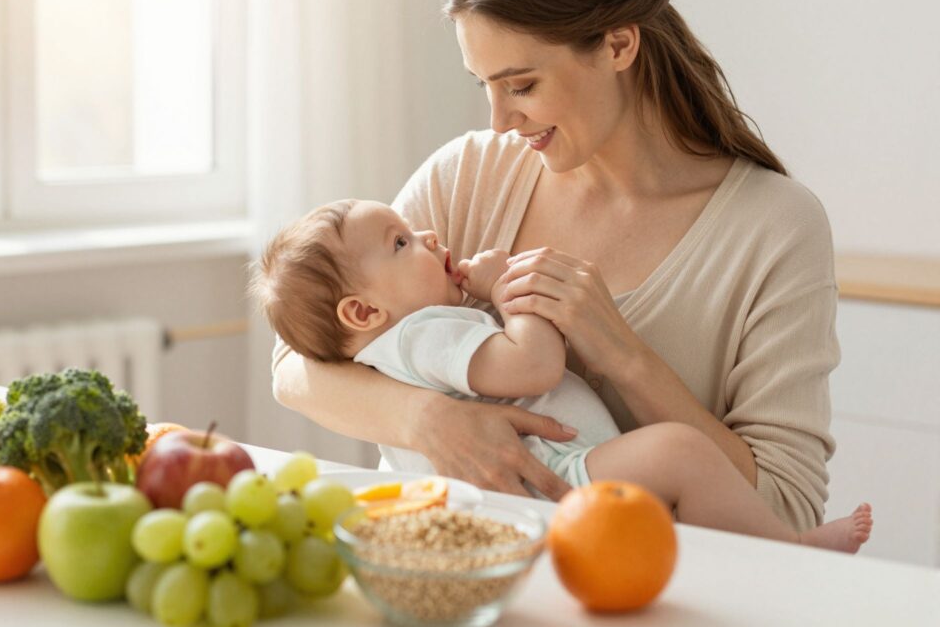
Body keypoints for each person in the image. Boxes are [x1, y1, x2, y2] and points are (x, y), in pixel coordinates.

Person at [271, 0, 845, 531]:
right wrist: (432, 420)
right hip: (457, 572)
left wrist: (625, 357)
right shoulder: (469, 174)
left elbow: (788, 514)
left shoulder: (775, 229)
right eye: (483, 86)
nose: (498, 121)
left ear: (619, 44)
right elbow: (296, 367)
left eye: (522, 86)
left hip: (644, 599)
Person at [253, 199, 872, 552]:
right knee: (681, 453)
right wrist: (509, 294)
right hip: (554, 478)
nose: (427, 234)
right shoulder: (422, 333)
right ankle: (790, 553)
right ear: (362, 312)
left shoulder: (399, 340)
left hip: (537, 491)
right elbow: (534, 364)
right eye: (400, 243)